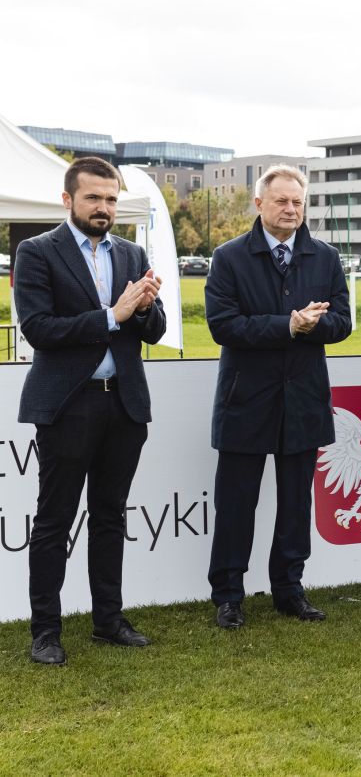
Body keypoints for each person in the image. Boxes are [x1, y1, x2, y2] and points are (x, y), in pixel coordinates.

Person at [15, 157, 166, 665]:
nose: (104, 207)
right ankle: (46, 631)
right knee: (54, 521)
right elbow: (38, 329)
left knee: (109, 517)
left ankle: (109, 621)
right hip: (67, 404)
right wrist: (111, 315)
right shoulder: (37, 251)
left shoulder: (131, 252)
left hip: (124, 403)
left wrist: (143, 308)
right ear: (68, 200)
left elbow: (155, 331)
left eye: (111, 199)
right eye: (93, 198)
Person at [205, 164, 352, 629]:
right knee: (236, 505)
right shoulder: (228, 257)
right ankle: (229, 595)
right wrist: (288, 325)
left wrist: (313, 325)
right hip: (245, 400)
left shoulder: (325, 257)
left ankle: (289, 590)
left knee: (295, 505)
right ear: (259, 204)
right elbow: (223, 326)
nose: (291, 209)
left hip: (303, 400)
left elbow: (343, 323)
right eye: (281, 201)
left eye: (297, 201)